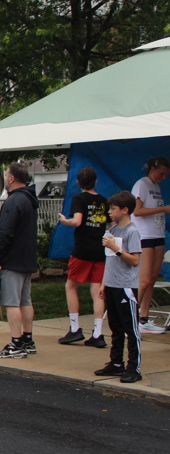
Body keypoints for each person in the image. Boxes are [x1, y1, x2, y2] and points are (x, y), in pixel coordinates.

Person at [94, 191, 144, 384]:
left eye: (113, 209)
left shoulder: (132, 232)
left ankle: (134, 367)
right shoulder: (113, 230)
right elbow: (110, 260)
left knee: (130, 328)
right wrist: (104, 283)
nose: (110, 212)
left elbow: (135, 260)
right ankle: (116, 362)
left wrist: (117, 248)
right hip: (112, 284)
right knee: (115, 326)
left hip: (126, 286)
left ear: (125, 210)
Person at [0, 162, 40, 358]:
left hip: (12, 258)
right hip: (27, 256)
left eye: (6, 175)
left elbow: (6, 233)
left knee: (11, 302)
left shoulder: (13, 201)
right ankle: (28, 339)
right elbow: (16, 228)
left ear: (11, 178)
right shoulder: (29, 199)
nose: (5, 178)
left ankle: (16, 343)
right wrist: (0, 230)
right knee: (25, 300)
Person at [56, 167, 108, 347]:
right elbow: (110, 223)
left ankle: (75, 328)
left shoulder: (79, 198)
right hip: (100, 250)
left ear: (78, 183)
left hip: (83, 250)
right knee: (97, 291)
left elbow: (77, 221)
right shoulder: (103, 201)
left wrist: (65, 221)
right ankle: (98, 333)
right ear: (96, 182)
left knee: (71, 286)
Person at [131, 157, 170, 334]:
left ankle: (144, 319)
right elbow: (137, 211)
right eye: (162, 173)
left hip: (158, 235)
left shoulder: (156, 187)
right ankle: (130, 318)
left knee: (152, 279)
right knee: (144, 279)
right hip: (144, 236)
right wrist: (163, 209)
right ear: (153, 169)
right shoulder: (142, 184)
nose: (163, 178)